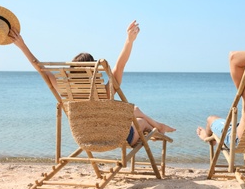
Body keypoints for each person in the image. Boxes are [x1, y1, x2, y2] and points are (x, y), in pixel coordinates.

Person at [9, 20, 175, 146]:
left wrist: (21, 45)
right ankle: (157, 127)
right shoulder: (105, 92)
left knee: (135, 111)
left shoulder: (65, 90)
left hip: (84, 137)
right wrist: (129, 41)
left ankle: (158, 126)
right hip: (114, 137)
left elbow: (39, 67)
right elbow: (120, 65)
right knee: (141, 122)